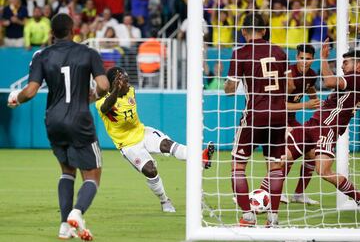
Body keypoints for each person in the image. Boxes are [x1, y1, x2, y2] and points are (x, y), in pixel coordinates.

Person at [7, 13, 110, 241]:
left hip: (53, 120)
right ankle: (77, 212)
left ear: (51, 33)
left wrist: (16, 98)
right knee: (93, 176)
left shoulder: (42, 56)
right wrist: (93, 94)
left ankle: (65, 226)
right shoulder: (89, 53)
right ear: (73, 30)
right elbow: (104, 85)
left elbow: (31, 91)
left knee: (67, 172)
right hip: (79, 118)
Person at [95, 66, 214, 212]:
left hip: (142, 131)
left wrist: (121, 88)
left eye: (127, 80)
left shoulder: (131, 91)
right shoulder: (102, 101)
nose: (128, 84)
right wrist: (115, 91)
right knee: (150, 171)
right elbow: (106, 108)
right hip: (128, 144)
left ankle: (200, 157)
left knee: (167, 145)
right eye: (124, 82)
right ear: (115, 85)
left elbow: (126, 100)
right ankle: (165, 201)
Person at [225, 13, 289, 227]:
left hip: (256, 114)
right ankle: (273, 218)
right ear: (265, 30)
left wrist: (230, 82)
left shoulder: (240, 53)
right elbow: (288, 85)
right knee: (275, 166)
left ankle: (248, 216)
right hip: (280, 114)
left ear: (244, 31)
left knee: (238, 165)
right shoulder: (280, 52)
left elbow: (230, 90)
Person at [287, 39, 360, 207]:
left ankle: (357, 196)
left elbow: (328, 82)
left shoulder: (356, 78)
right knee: (283, 157)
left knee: (324, 171)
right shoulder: (352, 79)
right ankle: (267, 197)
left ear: (358, 66)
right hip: (313, 123)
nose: (342, 67)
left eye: (346, 63)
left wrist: (323, 58)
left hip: (326, 129)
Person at [280, 44, 320, 205]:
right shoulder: (288, 75)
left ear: (313, 59)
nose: (304, 62)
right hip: (277, 120)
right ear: (296, 58)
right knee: (288, 155)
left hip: (291, 120)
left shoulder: (311, 75)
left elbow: (311, 91)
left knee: (311, 152)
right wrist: (306, 105)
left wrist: (318, 102)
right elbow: (278, 105)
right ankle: (277, 192)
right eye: (301, 58)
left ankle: (299, 194)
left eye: (308, 59)